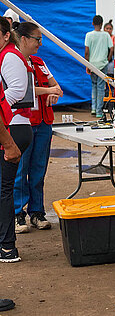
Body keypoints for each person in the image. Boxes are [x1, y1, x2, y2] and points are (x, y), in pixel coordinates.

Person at [13, 22, 62, 232]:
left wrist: (50, 92)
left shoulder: (39, 62)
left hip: (43, 123)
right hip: (23, 123)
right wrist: (46, 90)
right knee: (19, 170)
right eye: (37, 39)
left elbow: (57, 88)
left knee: (38, 170)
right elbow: (22, 89)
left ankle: (36, 211)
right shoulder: (12, 62)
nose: (40, 44)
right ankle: (17, 214)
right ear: (23, 39)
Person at [0, 18, 33, 262]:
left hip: (13, 129)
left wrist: (2, 111)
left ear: (5, 36)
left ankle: (7, 247)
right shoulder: (9, 55)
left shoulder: (10, 56)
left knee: (4, 189)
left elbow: (18, 89)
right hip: (11, 126)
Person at [85, 15, 113, 118]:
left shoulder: (89, 35)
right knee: (101, 87)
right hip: (103, 64)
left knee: (94, 85)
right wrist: (108, 59)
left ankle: (93, 108)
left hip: (92, 64)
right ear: (101, 24)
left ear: (92, 23)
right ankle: (99, 111)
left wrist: (87, 64)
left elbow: (87, 51)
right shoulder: (106, 35)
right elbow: (111, 48)